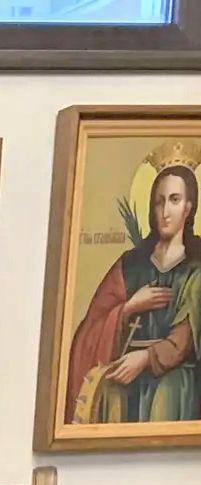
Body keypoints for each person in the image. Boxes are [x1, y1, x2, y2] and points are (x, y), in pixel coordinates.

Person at [64, 160, 201, 427]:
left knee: (167, 393)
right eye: (159, 201)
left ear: (188, 207)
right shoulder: (130, 265)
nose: (165, 211)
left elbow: (182, 342)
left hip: (174, 381)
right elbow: (89, 330)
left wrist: (146, 358)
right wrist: (128, 307)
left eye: (174, 200)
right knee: (108, 392)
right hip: (126, 369)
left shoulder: (196, 267)